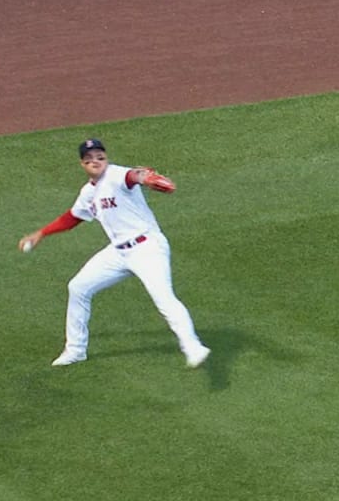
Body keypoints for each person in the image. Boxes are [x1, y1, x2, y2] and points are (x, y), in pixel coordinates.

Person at [19, 138, 211, 368]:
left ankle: (192, 347)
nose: (96, 161)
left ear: (106, 159)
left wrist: (146, 178)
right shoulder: (88, 192)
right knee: (78, 287)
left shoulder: (116, 175)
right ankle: (75, 350)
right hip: (118, 252)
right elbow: (73, 218)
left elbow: (134, 175)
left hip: (147, 248)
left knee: (164, 298)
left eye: (100, 156)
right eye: (89, 158)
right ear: (82, 164)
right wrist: (41, 233)